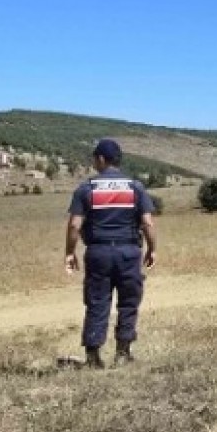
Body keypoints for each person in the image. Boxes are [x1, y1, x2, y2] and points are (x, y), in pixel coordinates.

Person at [64, 139, 158, 368]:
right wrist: (152, 248)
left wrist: (69, 252)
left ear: (101, 159)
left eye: (95, 158)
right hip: (128, 251)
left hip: (98, 252)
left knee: (97, 302)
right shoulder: (135, 188)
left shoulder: (87, 189)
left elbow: (75, 225)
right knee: (128, 302)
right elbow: (147, 223)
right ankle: (123, 353)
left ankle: (93, 357)